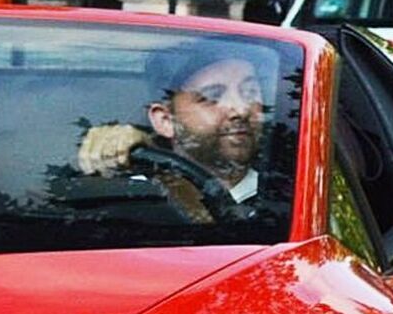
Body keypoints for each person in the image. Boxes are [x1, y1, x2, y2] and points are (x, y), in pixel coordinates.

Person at [74, 43, 280, 219]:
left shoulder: (292, 193)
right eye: (212, 97)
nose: (241, 109)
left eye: (250, 92)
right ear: (165, 120)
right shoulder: (133, 197)